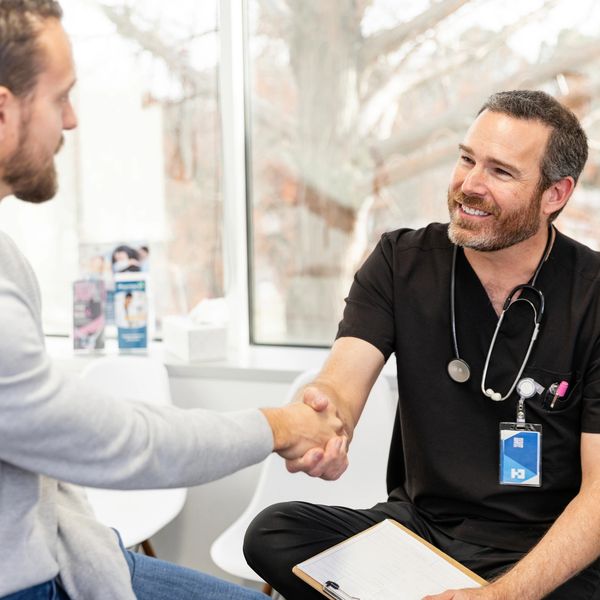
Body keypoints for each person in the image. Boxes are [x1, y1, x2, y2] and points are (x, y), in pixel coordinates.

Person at [0, 2, 345, 598]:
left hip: (71, 551)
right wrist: (281, 425)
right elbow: (118, 442)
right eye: (61, 98)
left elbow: (73, 421)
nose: (73, 120)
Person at [244, 90, 600, 599]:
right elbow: (341, 384)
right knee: (275, 533)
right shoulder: (401, 262)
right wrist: (324, 424)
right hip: (423, 533)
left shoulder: (592, 294)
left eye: (500, 172)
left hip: (544, 547)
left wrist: (502, 595)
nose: (469, 185)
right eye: (467, 159)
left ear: (555, 194)